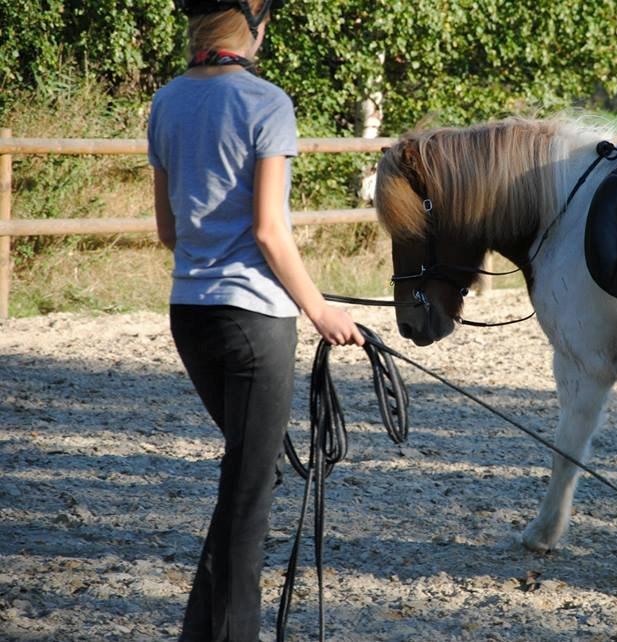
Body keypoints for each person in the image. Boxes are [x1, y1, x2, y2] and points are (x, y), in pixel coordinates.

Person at [148, 1, 364, 639]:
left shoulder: (166, 102)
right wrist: (319, 307)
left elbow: (168, 229)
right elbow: (270, 231)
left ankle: (200, 632)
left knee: (251, 470)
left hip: (189, 315)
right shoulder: (266, 103)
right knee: (249, 497)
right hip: (255, 324)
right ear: (254, 25)